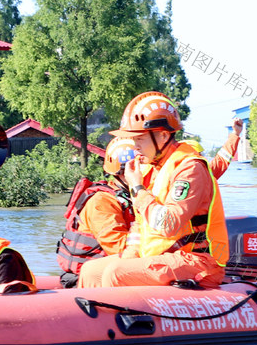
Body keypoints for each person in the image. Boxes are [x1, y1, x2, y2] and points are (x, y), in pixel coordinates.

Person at [57, 121, 245, 288]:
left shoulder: (187, 169)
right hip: (164, 254)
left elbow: (167, 225)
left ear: (163, 136)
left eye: (139, 139)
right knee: (91, 271)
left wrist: (137, 187)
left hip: (195, 259)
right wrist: (131, 256)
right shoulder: (110, 195)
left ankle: (124, 321)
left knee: (115, 272)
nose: (135, 148)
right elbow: (139, 230)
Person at [56, 137, 138, 288]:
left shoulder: (134, 197)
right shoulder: (102, 201)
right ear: (124, 170)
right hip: (92, 280)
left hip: (114, 274)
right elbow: (119, 248)